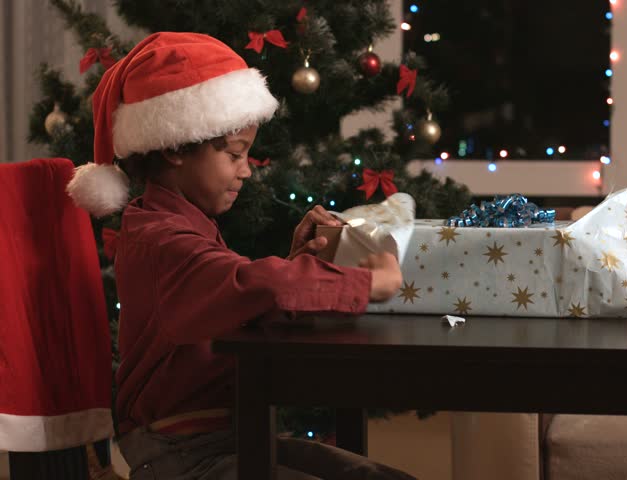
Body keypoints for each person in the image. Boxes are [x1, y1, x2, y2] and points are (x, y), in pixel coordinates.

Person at [67, 32, 408, 480]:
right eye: (234, 154)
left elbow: (231, 299)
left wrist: (296, 260)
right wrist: (367, 283)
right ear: (174, 146)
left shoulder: (180, 225)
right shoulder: (161, 240)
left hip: (225, 436)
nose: (246, 170)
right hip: (182, 453)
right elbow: (250, 285)